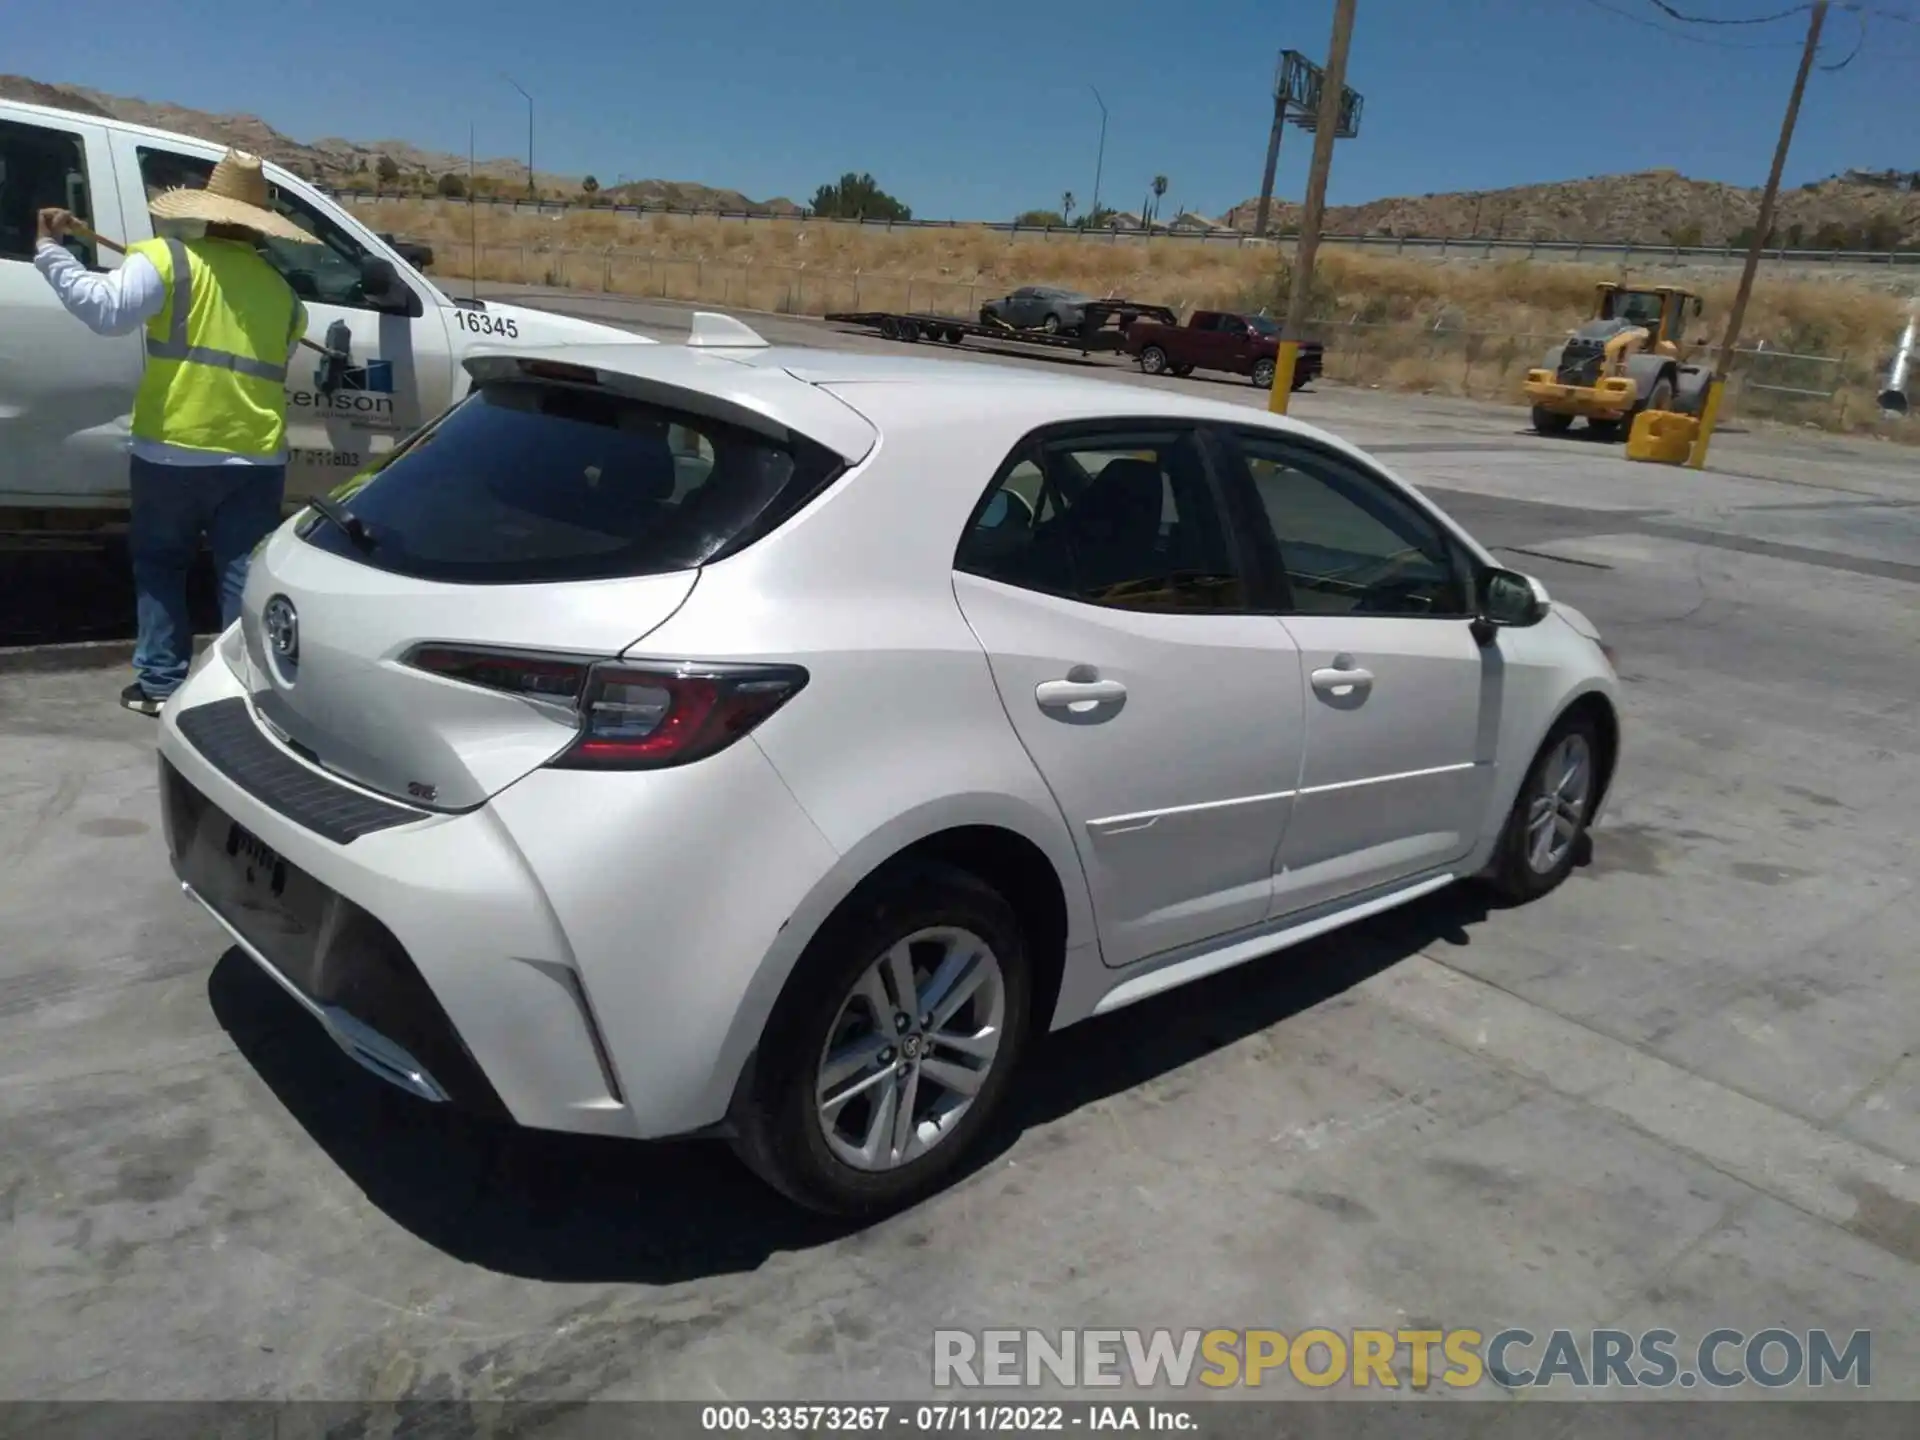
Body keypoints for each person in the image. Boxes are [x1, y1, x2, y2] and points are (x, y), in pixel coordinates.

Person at [35, 149, 311, 715]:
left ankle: (161, 684)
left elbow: (106, 312)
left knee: (163, 565)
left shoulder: (167, 259)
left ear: (205, 211)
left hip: (174, 452)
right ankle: (241, 694)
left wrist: (50, 253)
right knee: (240, 576)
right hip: (256, 458)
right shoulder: (282, 293)